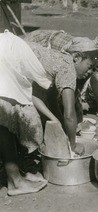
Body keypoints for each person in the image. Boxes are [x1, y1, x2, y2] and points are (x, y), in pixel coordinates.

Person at [26, 35, 98, 155]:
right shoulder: (68, 69)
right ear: (76, 57)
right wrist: (73, 144)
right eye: (89, 66)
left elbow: (35, 96)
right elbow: (69, 115)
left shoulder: (58, 60)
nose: (89, 72)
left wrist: (56, 121)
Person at [24, 29, 98, 118]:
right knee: (41, 91)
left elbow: (77, 87)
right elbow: (63, 86)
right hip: (38, 43)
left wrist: (76, 111)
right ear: (97, 50)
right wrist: (67, 116)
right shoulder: (78, 57)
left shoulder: (89, 62)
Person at [0, 31, 51, 195]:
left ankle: (18, 174)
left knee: (8, 120)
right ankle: (15, 182)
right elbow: (42, 80)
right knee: (5, 124)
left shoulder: (13, 44)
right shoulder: (23, 50)